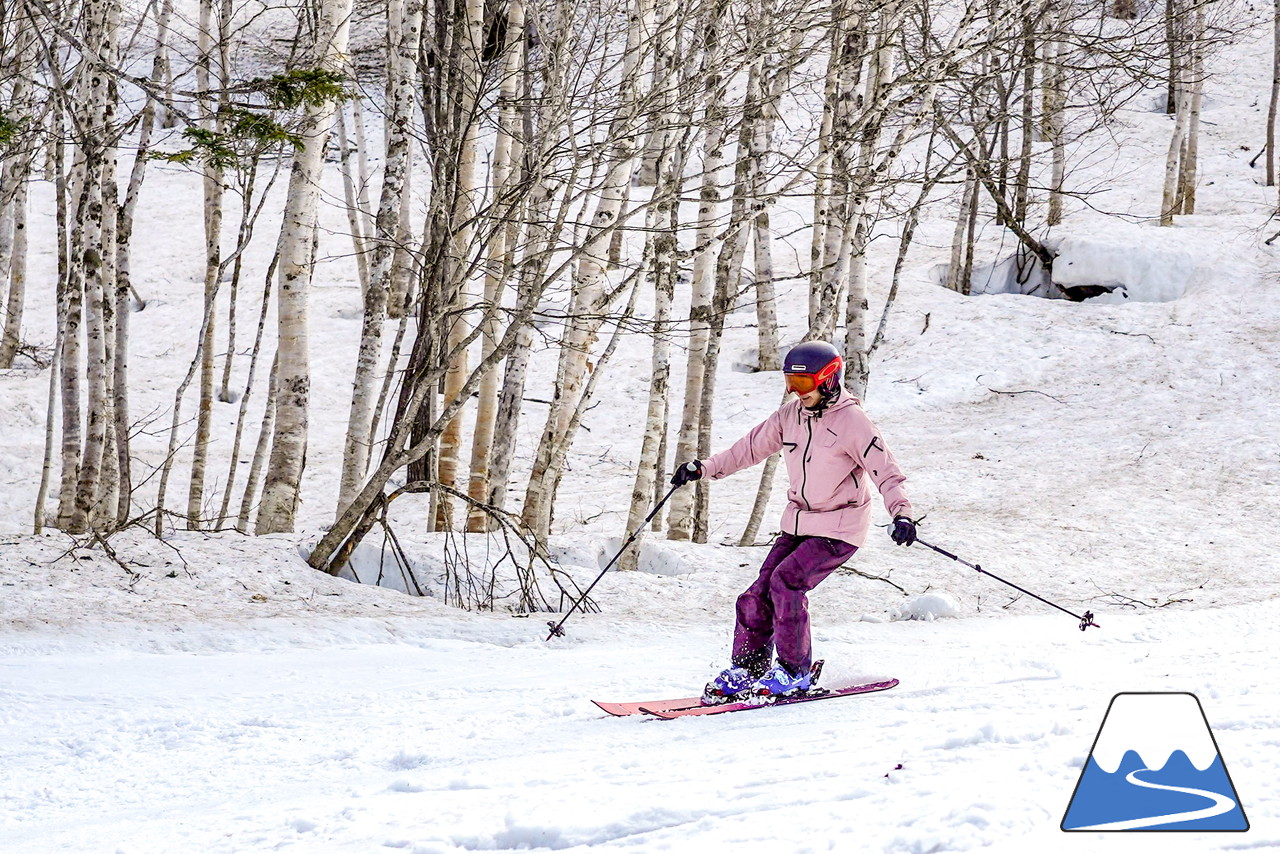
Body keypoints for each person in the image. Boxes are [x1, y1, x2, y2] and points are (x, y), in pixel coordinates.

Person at [671, 340, 918, 705]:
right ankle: (750, 669)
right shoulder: (790, 417)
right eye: (792, 384)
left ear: (829, 380)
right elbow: (748, 448)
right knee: (756, 594)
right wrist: (704, 468)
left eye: (804, 385)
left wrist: (902, 513)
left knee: (786, 584)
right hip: (800, 523)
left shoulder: (854, 423)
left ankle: (795, 672)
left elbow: (886, 472)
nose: (797, 393)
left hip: (840, 526)